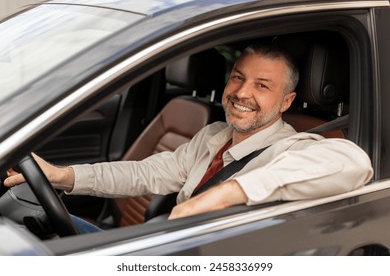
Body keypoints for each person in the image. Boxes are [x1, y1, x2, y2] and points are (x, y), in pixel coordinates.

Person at [4, 43, 373, 224]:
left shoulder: (289, 148)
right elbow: (144, 173)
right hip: (167, 247)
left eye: (262, 86)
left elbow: (353, 162)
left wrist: (229, 193)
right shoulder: (214, 134)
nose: (242, 93)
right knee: (28, 221)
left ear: (286, 100)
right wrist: (61, 176)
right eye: (238, 78)